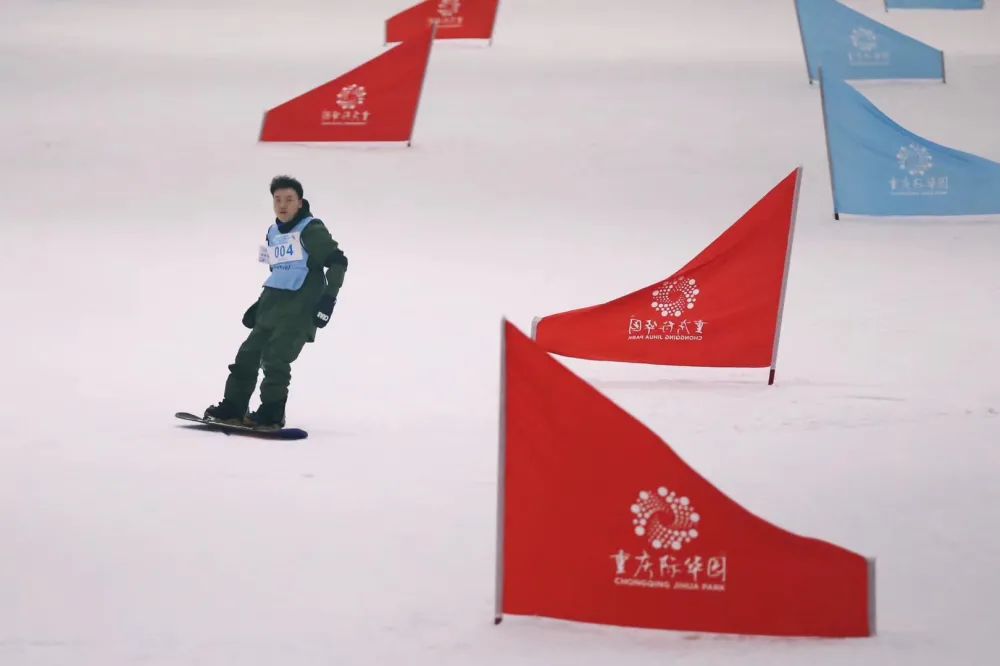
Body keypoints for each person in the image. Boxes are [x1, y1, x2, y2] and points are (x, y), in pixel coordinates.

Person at [203, 175, 348, 429]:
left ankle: (272, 412)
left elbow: (338, 261)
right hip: (271, 306)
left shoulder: (311, 229)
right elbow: (277, 270)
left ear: (300, 202)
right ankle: (233, 408)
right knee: (247, 355)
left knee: (275, 358)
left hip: (300, 306)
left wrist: (328, 301)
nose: (283, 205)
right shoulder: (272, 232)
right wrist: (260, 305)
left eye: (289, 199)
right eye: (277, 200)